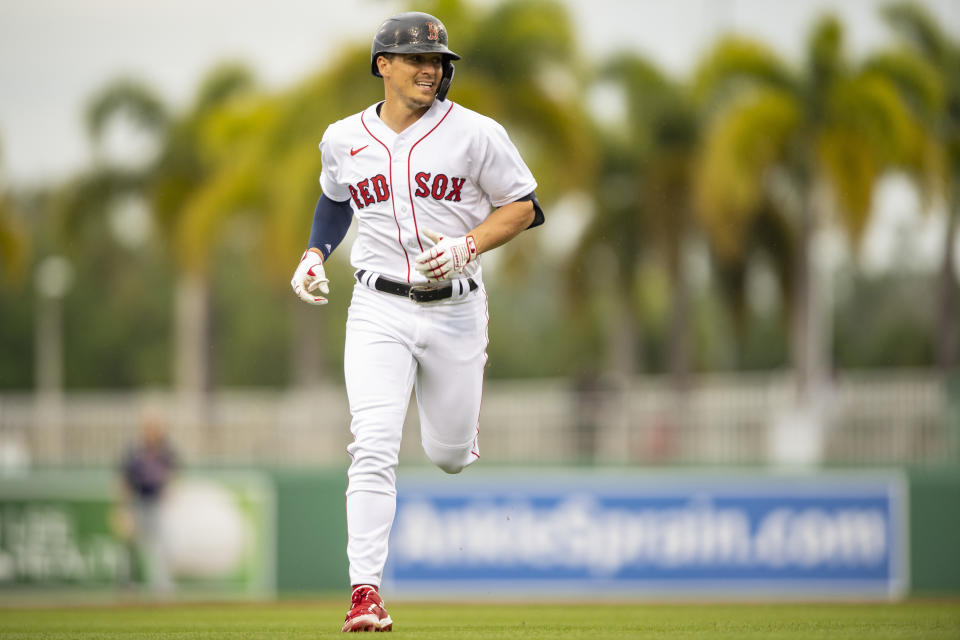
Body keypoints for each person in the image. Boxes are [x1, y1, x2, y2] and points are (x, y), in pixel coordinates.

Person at [290, 11, 544, 633]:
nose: (431, 69)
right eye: (417, 59)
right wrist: (314, 252)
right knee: (371, 446)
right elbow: (333, 197)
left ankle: (456, 436)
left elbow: (527, 207)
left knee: (449, 454)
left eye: (438, 62)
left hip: (456, 306)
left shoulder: (475, 133)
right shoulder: (342, 137)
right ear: (383, 64)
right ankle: (364, 594)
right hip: (377, 305)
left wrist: (471, 244)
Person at [118, 410, 178, 595]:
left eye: (156, 428)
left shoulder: (165, 450)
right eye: (149, 428)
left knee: (160, 545)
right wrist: (123, 508)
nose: (153, 432)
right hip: (137, 501)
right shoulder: (134, 451)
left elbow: (173, 474)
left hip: (156, 502)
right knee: (130, 545)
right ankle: (126, 584)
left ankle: (161, 585)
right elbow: (124, 480)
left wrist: (169, 493)